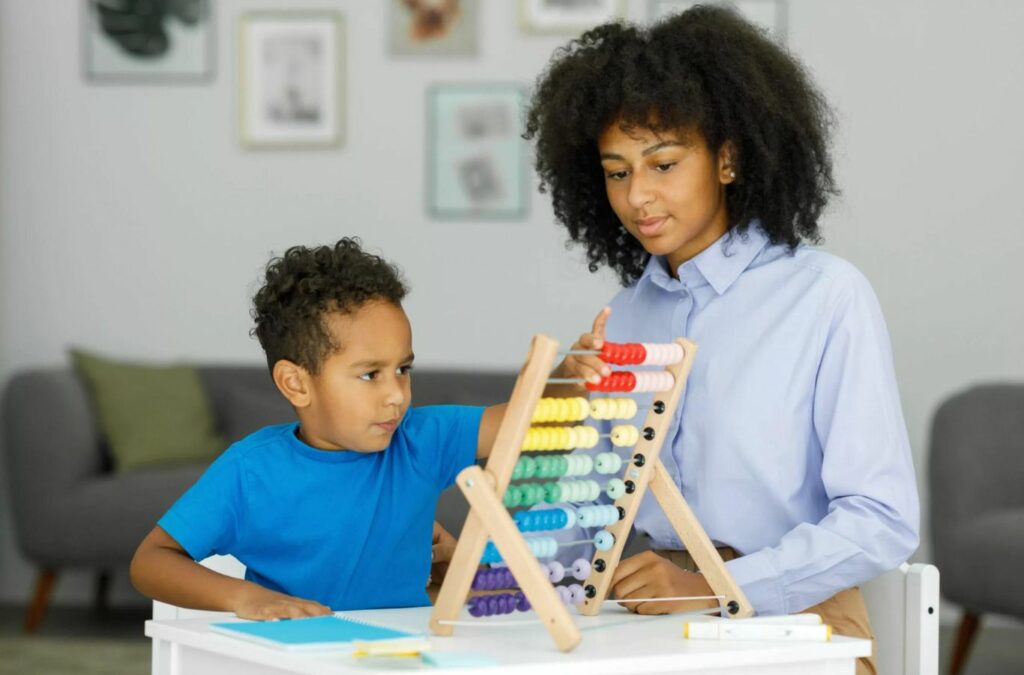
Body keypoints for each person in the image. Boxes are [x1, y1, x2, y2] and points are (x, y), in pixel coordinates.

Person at [525, 7, 918, 673]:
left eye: (664, 163)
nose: (638, 196)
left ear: (728, 157)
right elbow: (581, 509)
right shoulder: (620, 319)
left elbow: (882, 518)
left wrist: (714, 585)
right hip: (637, 605)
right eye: (617, 172)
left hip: (794, 613)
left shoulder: (825, 296)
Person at [130, 238, 504, 620]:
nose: (396, 395)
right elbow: (151, 560)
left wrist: (565, 377)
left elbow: (525, 421)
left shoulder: (420, 441)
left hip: (405, 654)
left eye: (402, 370)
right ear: (296, 383)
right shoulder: (250, 471)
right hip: (297, 656)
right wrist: (247, 598)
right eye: (370, 374)